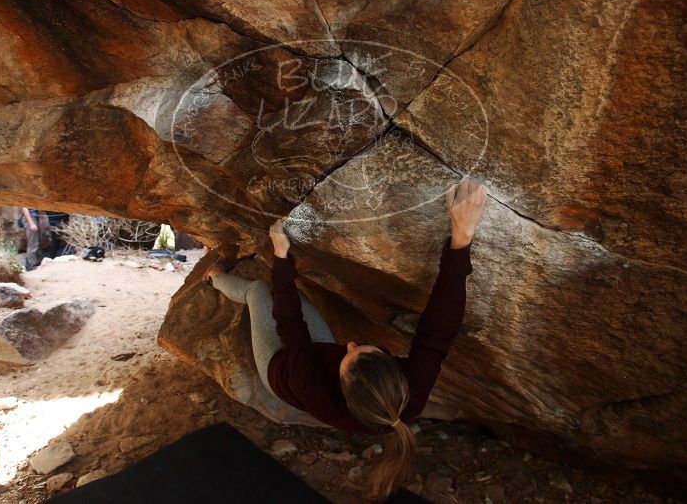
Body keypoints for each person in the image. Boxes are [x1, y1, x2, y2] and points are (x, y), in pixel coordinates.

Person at [204, 177, 487, 500]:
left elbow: (290, 326)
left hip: (279, 367)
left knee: (257, 292)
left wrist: (282, 257)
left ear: (342, 387)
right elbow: (438, 331)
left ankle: (215, 279)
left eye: (348, 357)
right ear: (393, 371)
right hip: (317, 358)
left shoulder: (310, 384)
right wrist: (462, 238)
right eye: (365, 350)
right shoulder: (407, 396)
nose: (349, 344)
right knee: (293, 295)